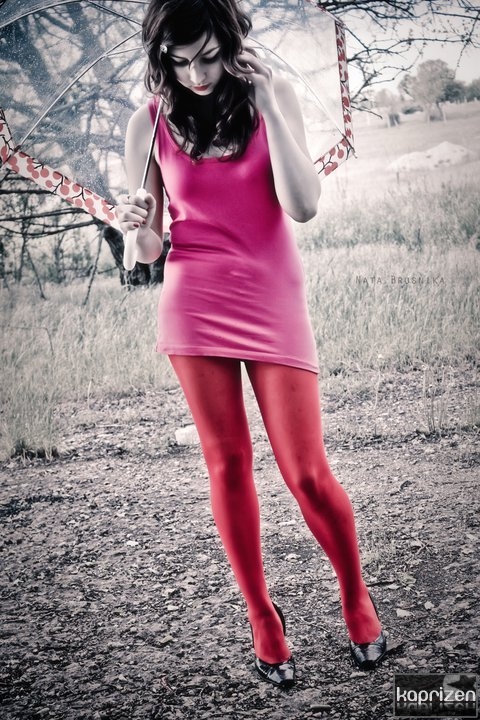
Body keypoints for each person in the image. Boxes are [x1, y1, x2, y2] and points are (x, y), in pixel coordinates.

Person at [115, 0, 387, 689]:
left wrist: (267, 103)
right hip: (193, 299)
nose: (197, 74)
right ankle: (263, 617)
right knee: (228, 466)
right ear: (163, 58)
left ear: (230, 43)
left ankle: (355, 597)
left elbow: (303, 205)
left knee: (305, 471)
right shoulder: (148, 122)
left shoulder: (273, 94)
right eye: (180, 61)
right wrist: (133, 225)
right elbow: (148, 248)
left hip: (271, 293)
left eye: (208, 56)